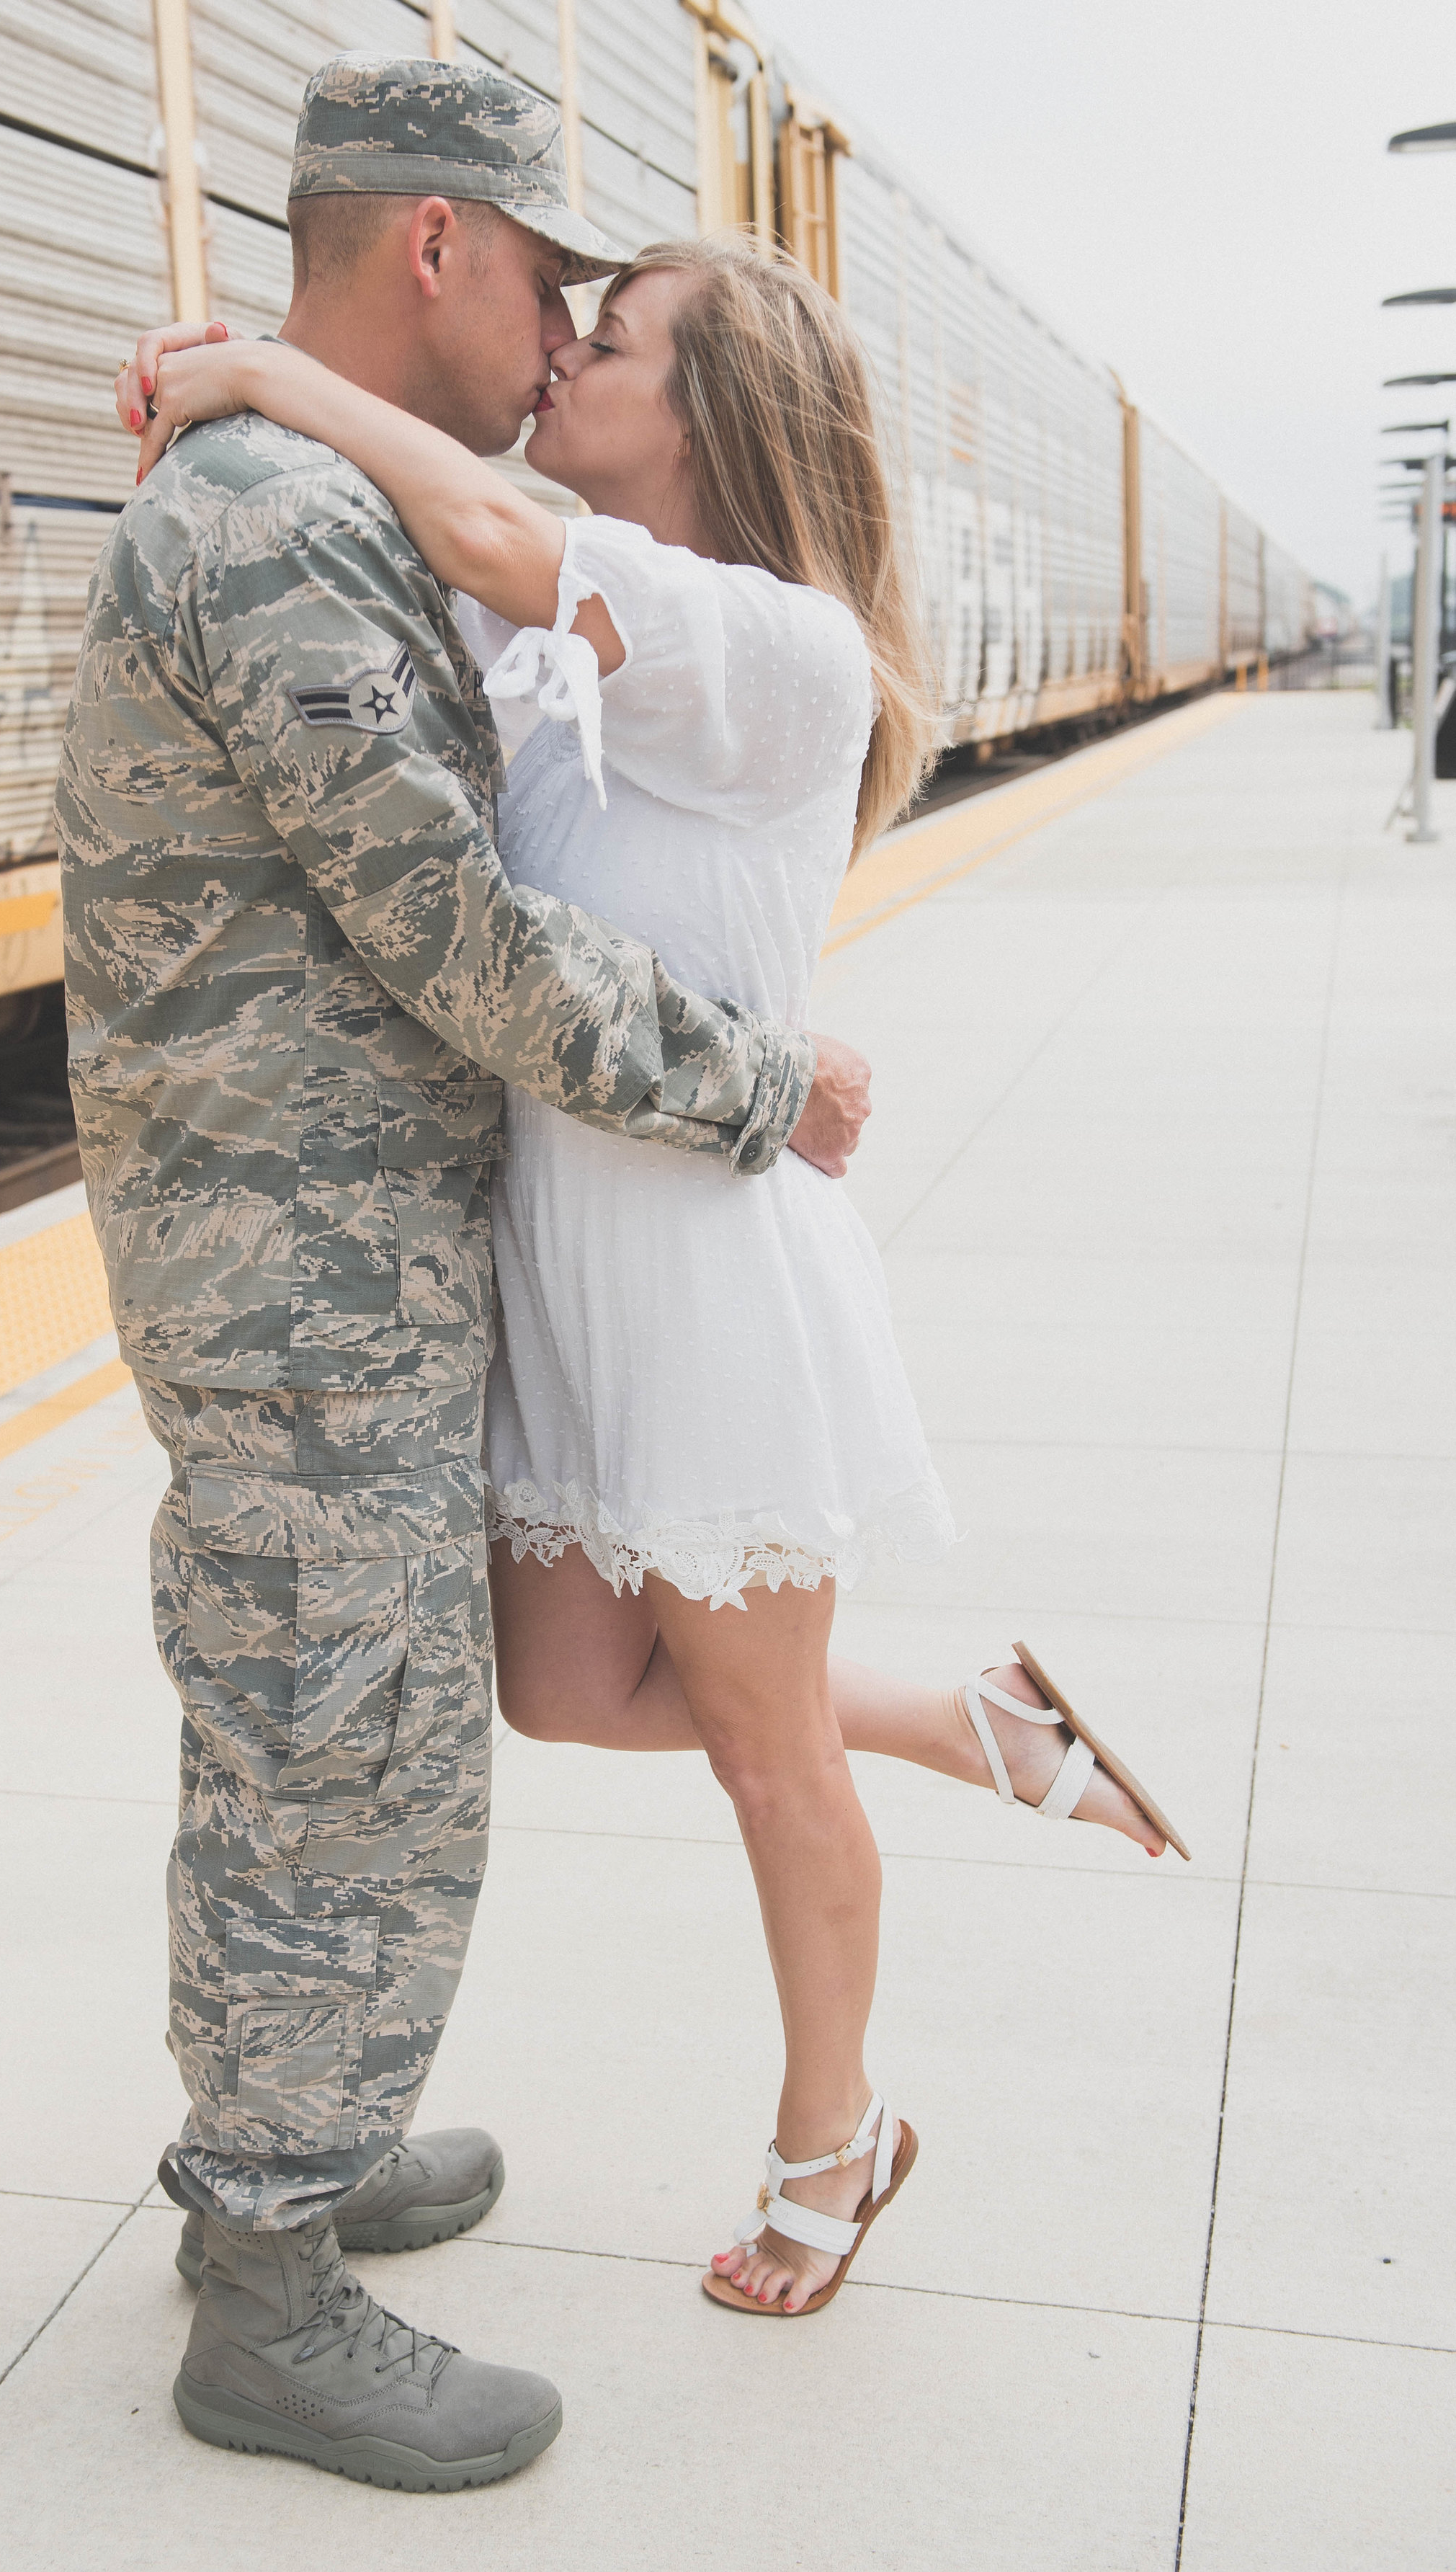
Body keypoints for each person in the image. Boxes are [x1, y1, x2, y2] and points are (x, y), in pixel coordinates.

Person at [117, 224, 1192, 2333]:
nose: (561, 363)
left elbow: (491, 527)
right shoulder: (569, 650)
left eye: (608, 341)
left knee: (761, 1762)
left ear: (712, 415)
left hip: (706, 1279)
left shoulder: (770, 646)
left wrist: (254, 372)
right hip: (569, 1269)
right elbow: (427, 576)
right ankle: (978, 1714)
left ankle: (834, 2140)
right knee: (562, 1686)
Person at [57, 53, 872, 2494]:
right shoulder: (281, 526)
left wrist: (256, 363)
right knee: (339, 1749)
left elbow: (538, 612)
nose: (549, 338)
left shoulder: (325, 495)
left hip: (333, 1243)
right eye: (541, 277)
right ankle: (271, 2265)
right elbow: (454, 935)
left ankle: (306, 2127)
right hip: (295, 1268)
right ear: (434, 242)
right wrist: (763, 1081)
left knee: (369, 1730)